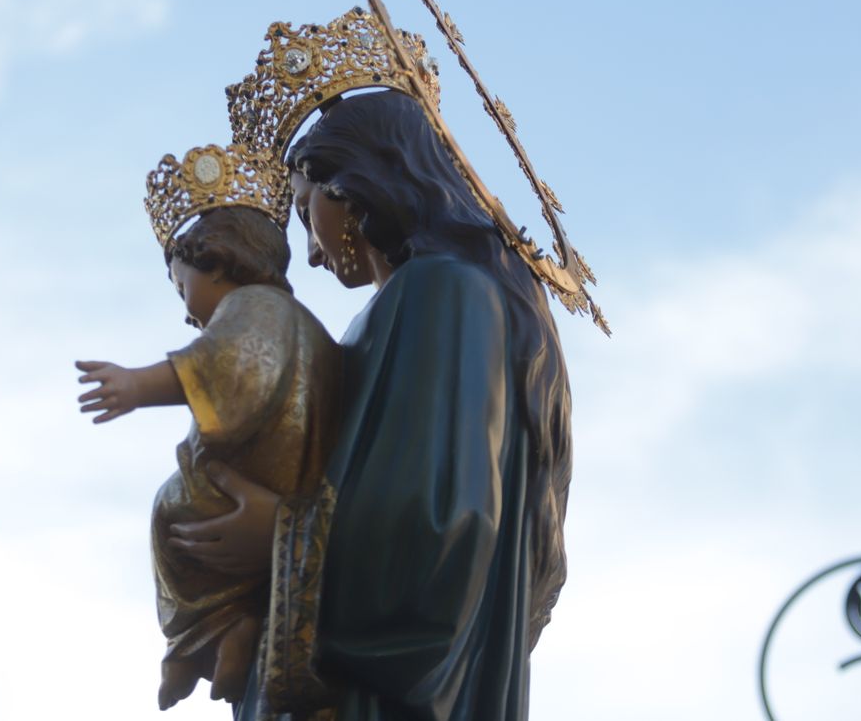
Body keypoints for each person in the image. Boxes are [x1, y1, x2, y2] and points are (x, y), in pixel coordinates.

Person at [168, 89, 574, 721]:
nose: (307, 251)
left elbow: (448, 523)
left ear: (355, 190)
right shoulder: (378, 322)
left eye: (306, 210)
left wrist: (279, 534)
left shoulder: (444, 293)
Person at [76, 203, 343, 710]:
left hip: (252, 483)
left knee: (168, 513)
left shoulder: (258, 308)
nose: (184, 310)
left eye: (183, 287)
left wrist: (136, 384)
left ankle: (197, 639)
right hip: (284, 488)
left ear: (218, 263)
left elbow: (225, 367)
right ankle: (236, 626)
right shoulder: (296, 321)